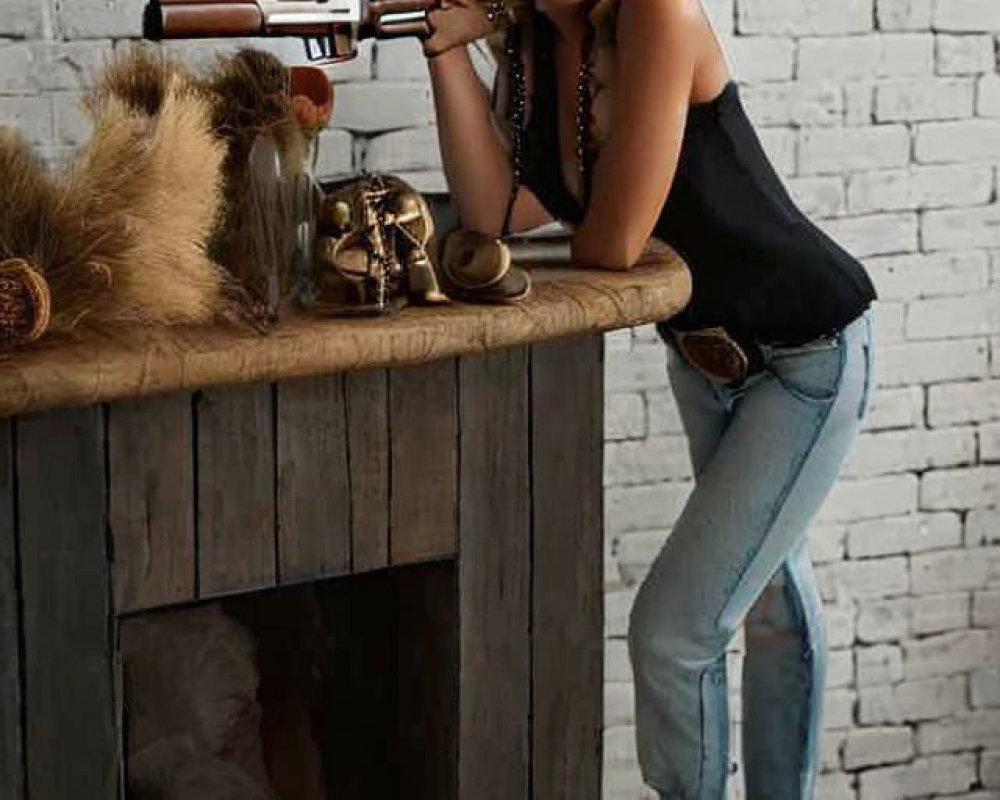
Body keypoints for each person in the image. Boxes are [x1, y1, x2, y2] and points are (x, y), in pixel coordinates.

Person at [421, 1, 878, 798]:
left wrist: (573, 214)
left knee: (673, 633)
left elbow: (616, 239)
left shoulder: (657, 16)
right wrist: (445, 50)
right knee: (765, 595)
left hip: (808, 356)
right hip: (705, 359)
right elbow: (494, 213)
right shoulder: (534, 47)